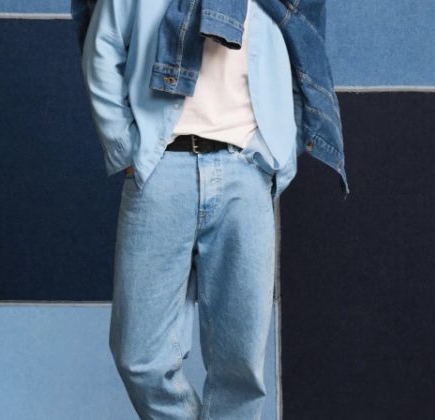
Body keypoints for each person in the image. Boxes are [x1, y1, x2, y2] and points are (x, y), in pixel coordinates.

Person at [81, 0, 299, 418]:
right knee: (139, 356)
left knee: (240, 368)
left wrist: (277, 155)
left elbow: (302, 58)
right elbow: (102, 50)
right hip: (162, 166)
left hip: (246, 170)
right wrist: (126, 149)